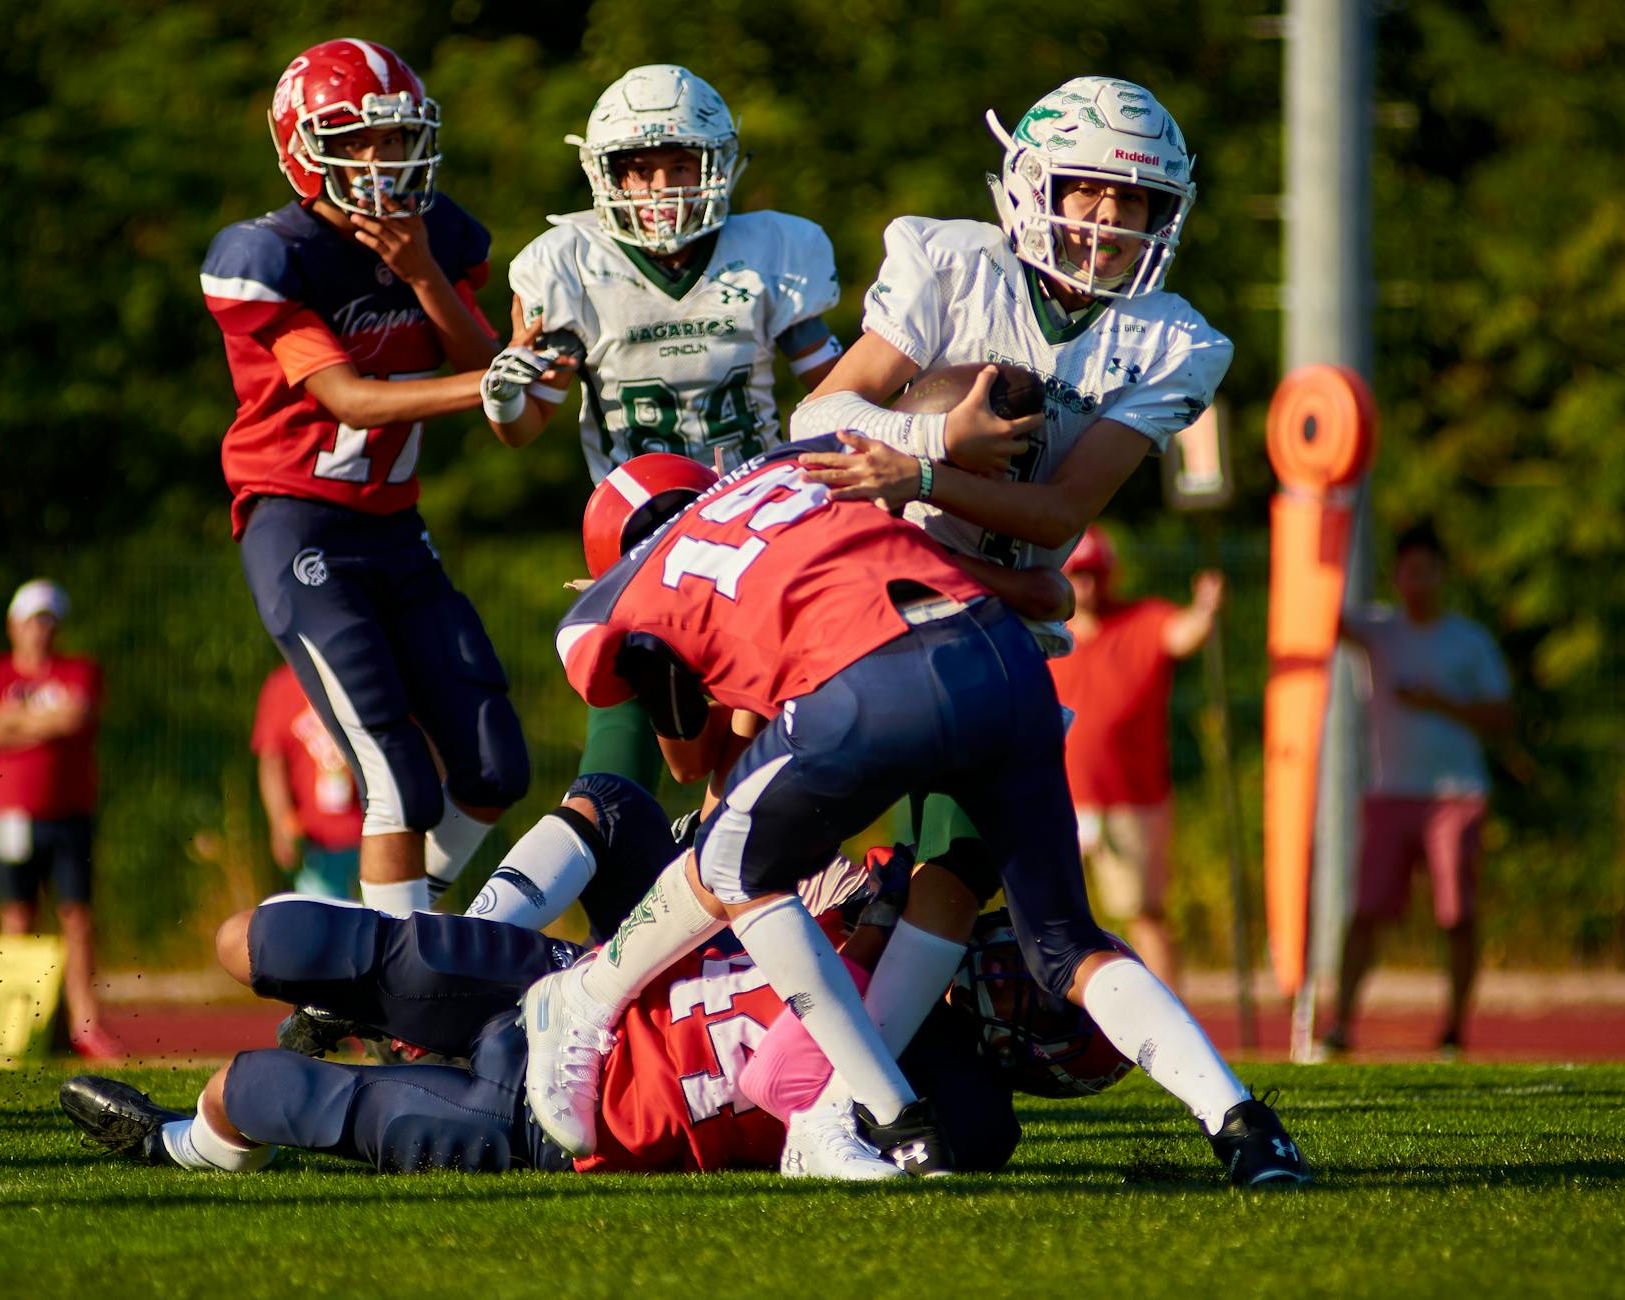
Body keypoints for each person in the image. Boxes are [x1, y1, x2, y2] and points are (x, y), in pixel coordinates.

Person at [525, 445, 1308, 1184]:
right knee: (1063, 944)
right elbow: (1044, 590)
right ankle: (1242, 1126)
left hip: (872, 683)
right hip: (1004, 665)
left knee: (732, 866)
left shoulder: (621, 589)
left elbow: (686, 758)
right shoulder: (794, 464)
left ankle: (605, 1008)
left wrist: (628, 613)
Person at [786, 76, 1234, 1002]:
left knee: (957, 867)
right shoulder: (951, 262)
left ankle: (862, 1086)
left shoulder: (1171, 340)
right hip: (870, 609)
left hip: (994, 624)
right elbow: (816, 415)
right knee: (769, 825)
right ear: (1033, 184)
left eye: (1135, 197)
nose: (1111, 217)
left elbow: (1063, 510)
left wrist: (915, 474)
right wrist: (938, 442)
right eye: (1087, 189)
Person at [55, 796, 1017, 1180]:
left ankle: (171, 1147)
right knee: (259, 935)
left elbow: (781, 1084)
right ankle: (361, 995)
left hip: (553, 1121)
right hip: (555, 988)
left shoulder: (941, 1098)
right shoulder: (888, 894)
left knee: (249, 1093)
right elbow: (940, 866)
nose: (1002, 983)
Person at [463, 64, 846, 928]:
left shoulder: (769, 254)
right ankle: (482, 941)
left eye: (676, 164)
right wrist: (504, 396)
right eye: (638, 168)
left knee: (762, 769)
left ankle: (714, 950)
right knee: (610, 777)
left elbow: (836, 391)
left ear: (717, 162)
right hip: (638, 551)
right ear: (606, 175)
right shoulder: (573, 266)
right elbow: (527, 426)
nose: (659, 186)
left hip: (759, 538)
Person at [200, 38, 528, 915]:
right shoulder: (273, 255)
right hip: (302, 525)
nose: (383, 161)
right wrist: (488, 384)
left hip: (394, 527)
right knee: (397, 775)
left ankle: (379, 958)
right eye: (358, 141)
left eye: (395, 138)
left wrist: (422, 272)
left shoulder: (444, 234)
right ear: (303, 149)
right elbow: (348, 398)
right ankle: (393, 997)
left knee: (494, 767)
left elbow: (478, 352)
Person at [1323, 523, 1513, 1057]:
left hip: (1456, 794)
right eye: (1408, 571)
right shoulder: (1381, 630)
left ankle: (1455, 1026)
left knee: (1456, 913)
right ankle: (1341, 1023)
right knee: (1366, 911)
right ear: (1397, 576)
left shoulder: (1468, 640)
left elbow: (1502, 714)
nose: (1417, 582)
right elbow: (1321, 617)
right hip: (1390, 794)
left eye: (1426, 571)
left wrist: (1439, 702)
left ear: (1442, 574)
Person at [1046, 527, 1224, 985]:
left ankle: (1172, 1018)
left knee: (1146, 914)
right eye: (1078, 574)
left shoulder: (1143, 620)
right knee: (1047, 918)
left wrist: (1205, 609)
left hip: (1131, 801)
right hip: (1059, 801)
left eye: (1094, 574)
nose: (1086, 585)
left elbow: (1183, 634)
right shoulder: (1049, 634)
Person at [0, 579, 121, 1060]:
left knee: (76, 914)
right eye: (32, 621)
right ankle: (25, 1021)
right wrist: (37, 724)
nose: (40, 631)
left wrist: (13, 722)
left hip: (68, 813)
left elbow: (74, 718)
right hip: (11, 815)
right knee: (17, 915)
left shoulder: (78, 671)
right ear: (14, 626)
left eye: (48, 621)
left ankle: (84, 1022)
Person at [251, 662, 362, 899]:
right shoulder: (282, 685)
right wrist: (281, 823)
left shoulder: (362, 669)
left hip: (378, 833)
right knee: (324, 927)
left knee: (388, 925)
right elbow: (272, 763)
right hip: (317, 841)